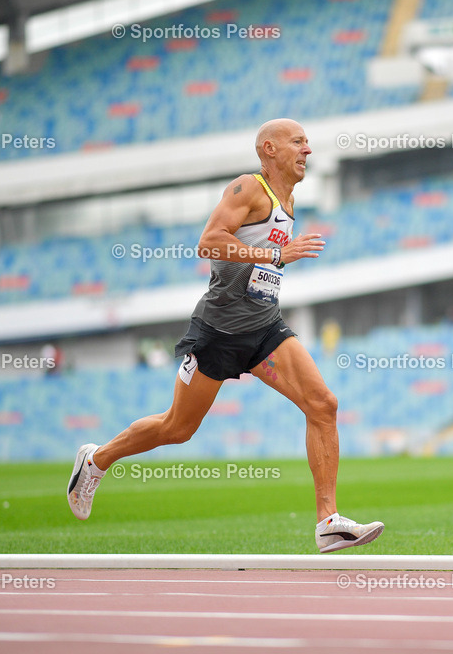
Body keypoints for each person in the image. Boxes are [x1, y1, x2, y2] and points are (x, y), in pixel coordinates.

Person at [67, 119, 384, 553]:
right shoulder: (248, 188)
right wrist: (276, 254)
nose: (308, 149)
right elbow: (209, 242)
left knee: (323, 405)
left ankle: (328, 521)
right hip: (219, 331)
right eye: (298, 142)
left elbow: (258, 264)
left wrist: (272, 262)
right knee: (177, 428)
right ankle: (96, 459)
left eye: (308, 142)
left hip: (265, 328)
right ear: (269, 150)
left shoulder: (288, 199)